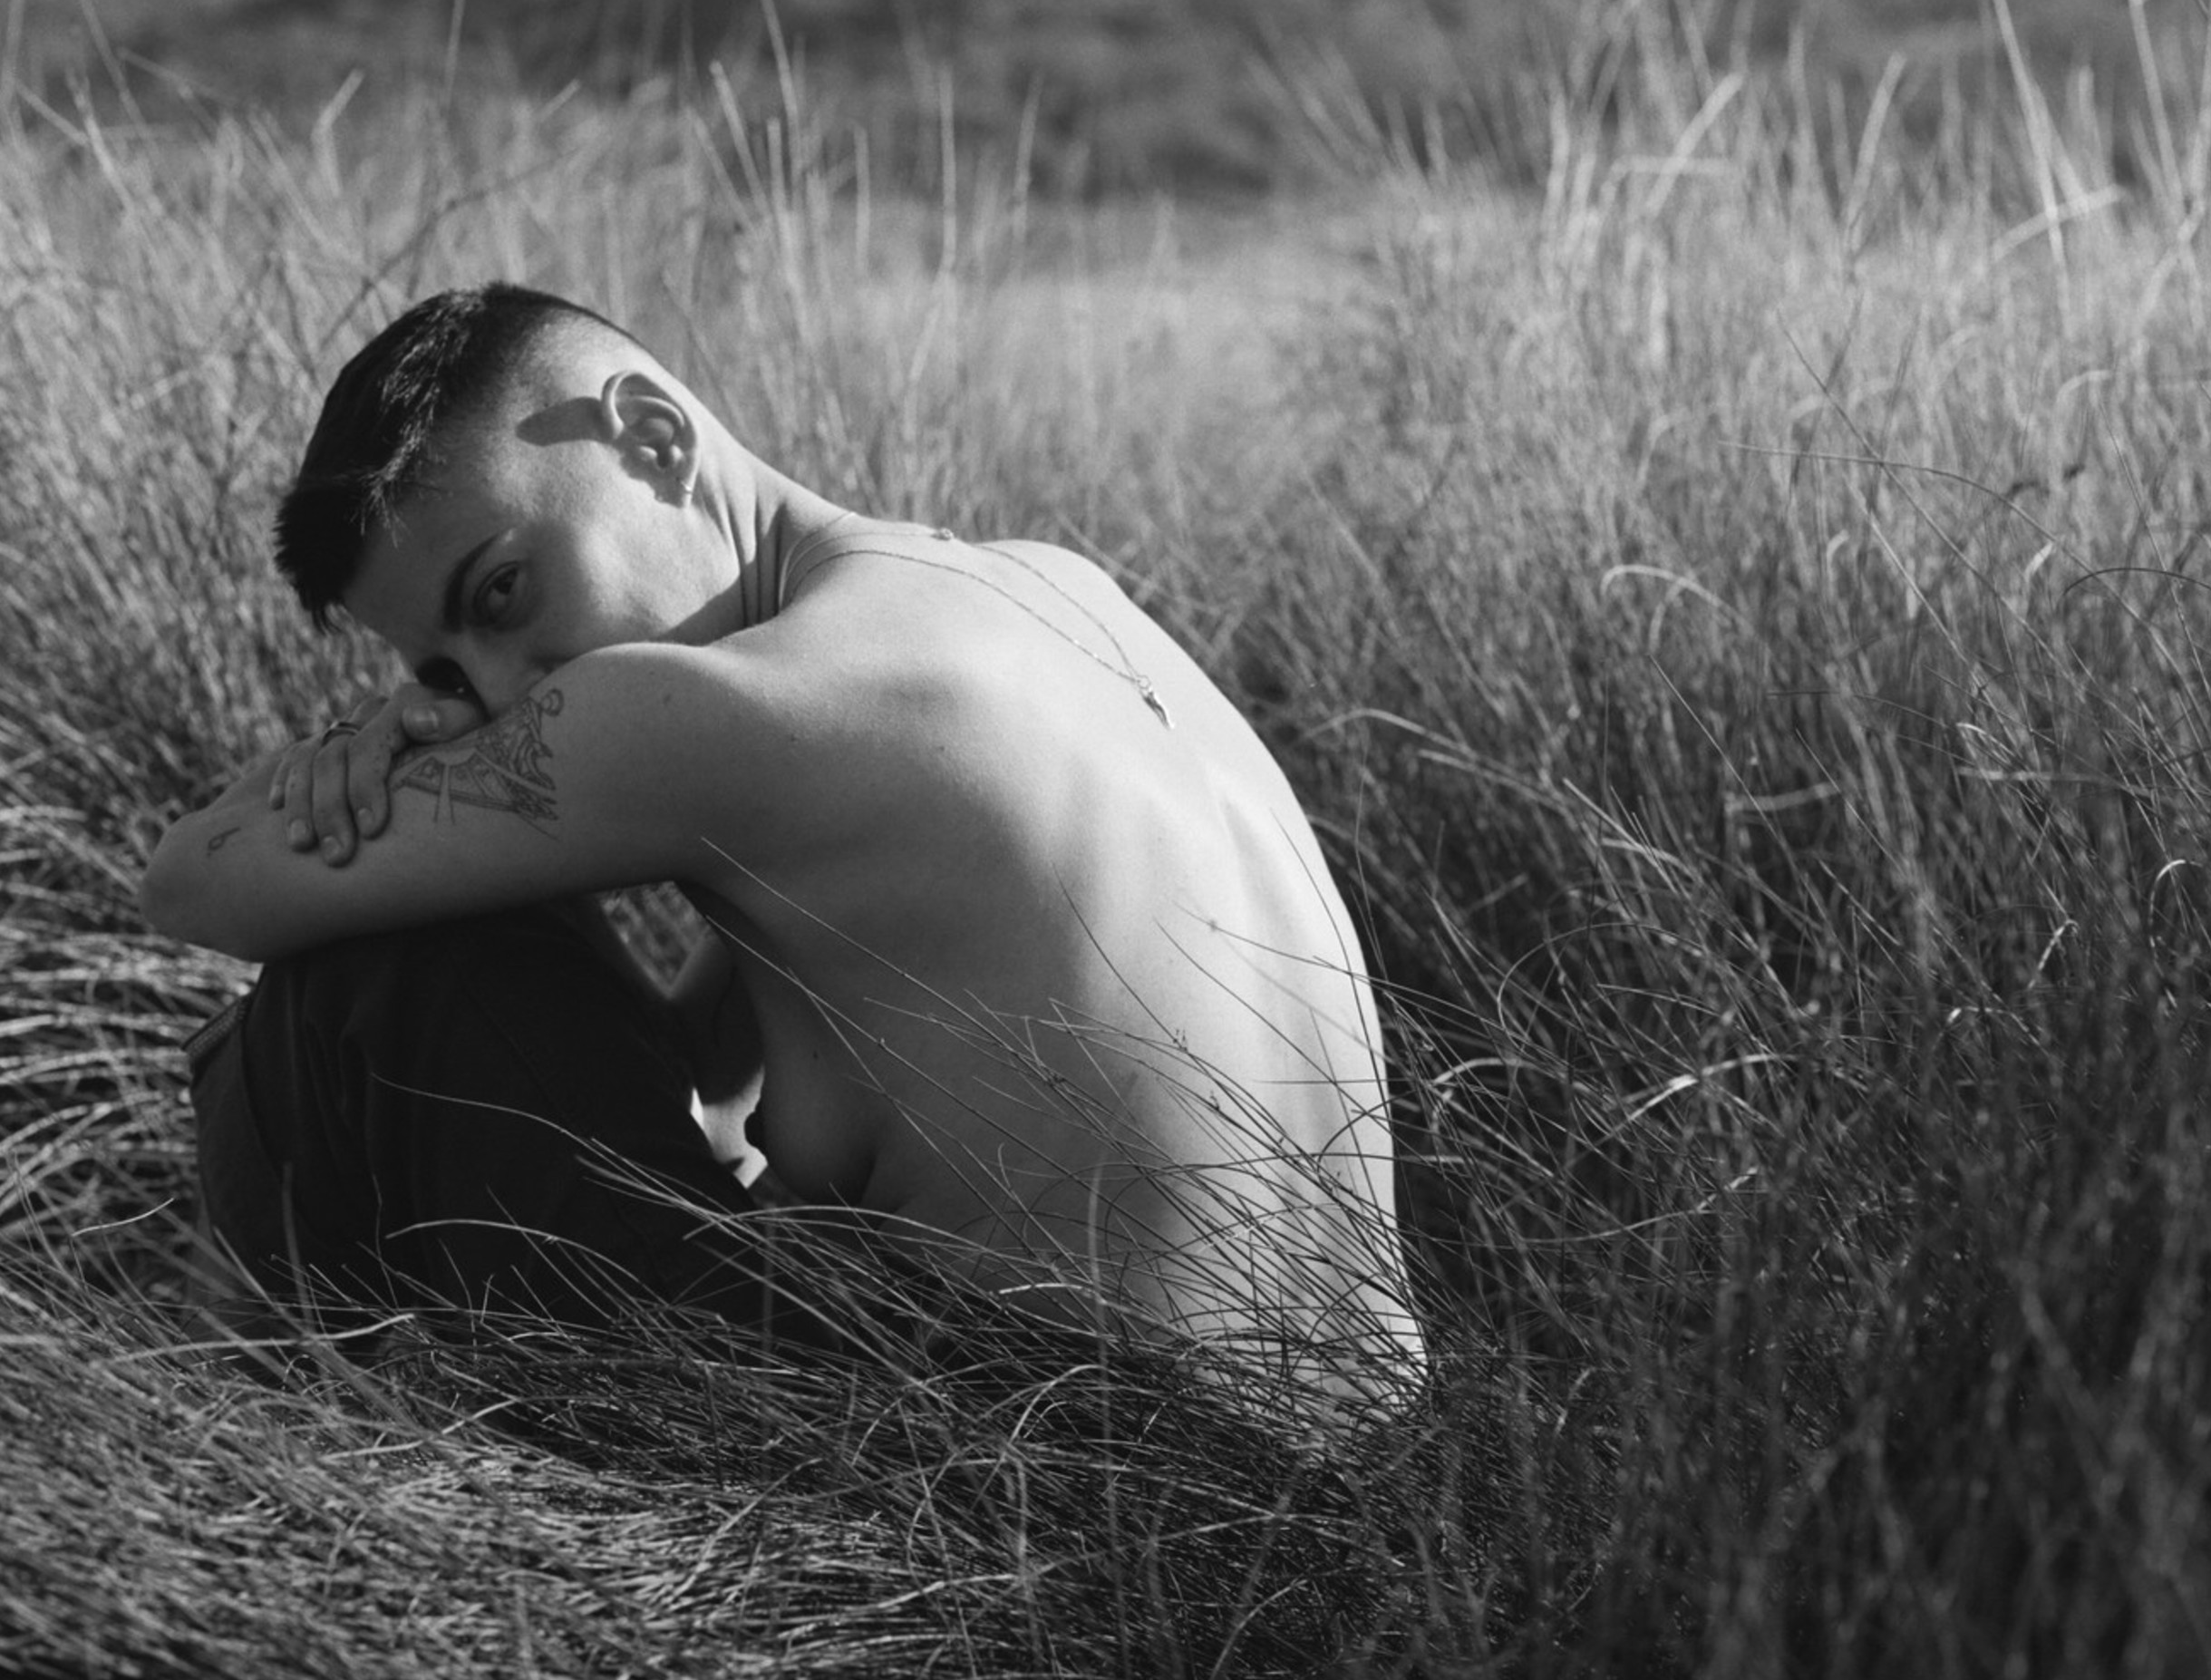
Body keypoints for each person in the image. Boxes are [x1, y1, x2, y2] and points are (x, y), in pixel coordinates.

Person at [139, 281, 1421, 1384]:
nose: (511, 693)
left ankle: (216, 1497)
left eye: (505, 591)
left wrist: (332, 772)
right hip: (1366, 1457)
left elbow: (195, 885)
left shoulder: (703, 713)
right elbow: (698, 1089)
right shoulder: (1050, 595)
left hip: (1093, 1482)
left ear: (649, 436)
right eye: (445, 672)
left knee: (369, 985)